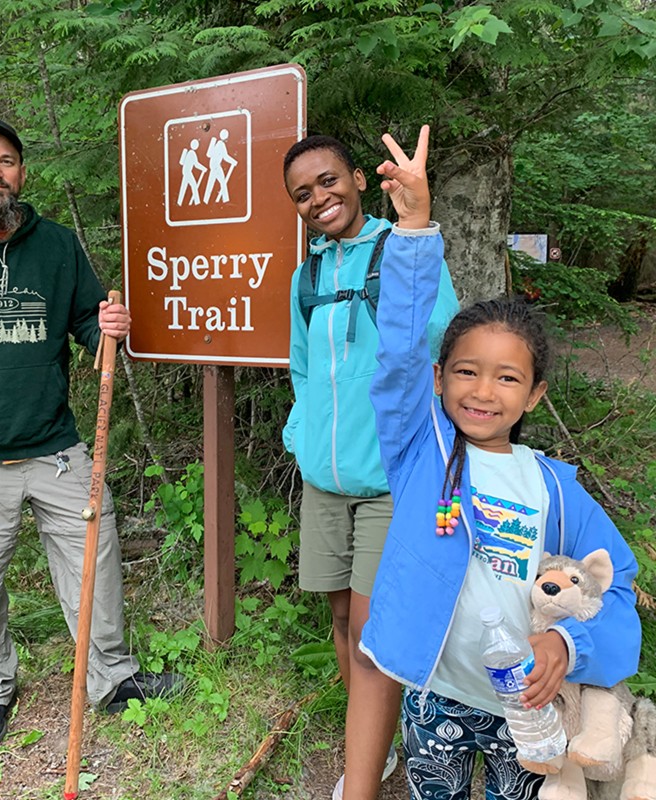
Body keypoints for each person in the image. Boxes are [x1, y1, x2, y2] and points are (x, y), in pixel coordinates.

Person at [340, 126, 641, 799]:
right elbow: (395, 359)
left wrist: (568, 649)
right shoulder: (423, 451)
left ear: (535, 393)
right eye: (467, 372)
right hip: (434, 695)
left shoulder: (556, 491)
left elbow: (614, 586)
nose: (482, 391)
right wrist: (414, 230)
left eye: (507, 379)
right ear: (440, 378)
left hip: (527, 712)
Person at [0, 116, 179, 749]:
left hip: (57, 452)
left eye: (8, 161)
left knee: (93, 569)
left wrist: (110, 327)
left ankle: (112, 678)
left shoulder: (58, 246)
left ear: (21, 174)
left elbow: (89, 328)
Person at [282, 134, 460, 798]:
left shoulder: (398, 253)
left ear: (357, 178)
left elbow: (440, 334)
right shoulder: (308, 276)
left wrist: (416, 226)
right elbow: (302, 368)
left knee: (368, 633)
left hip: (389, 480)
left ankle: (362, 774)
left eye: (328, 181)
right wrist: (301, 437)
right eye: (303, 193)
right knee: (338, 619)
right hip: (324, 483)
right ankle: (378, 743)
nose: (319, 198)